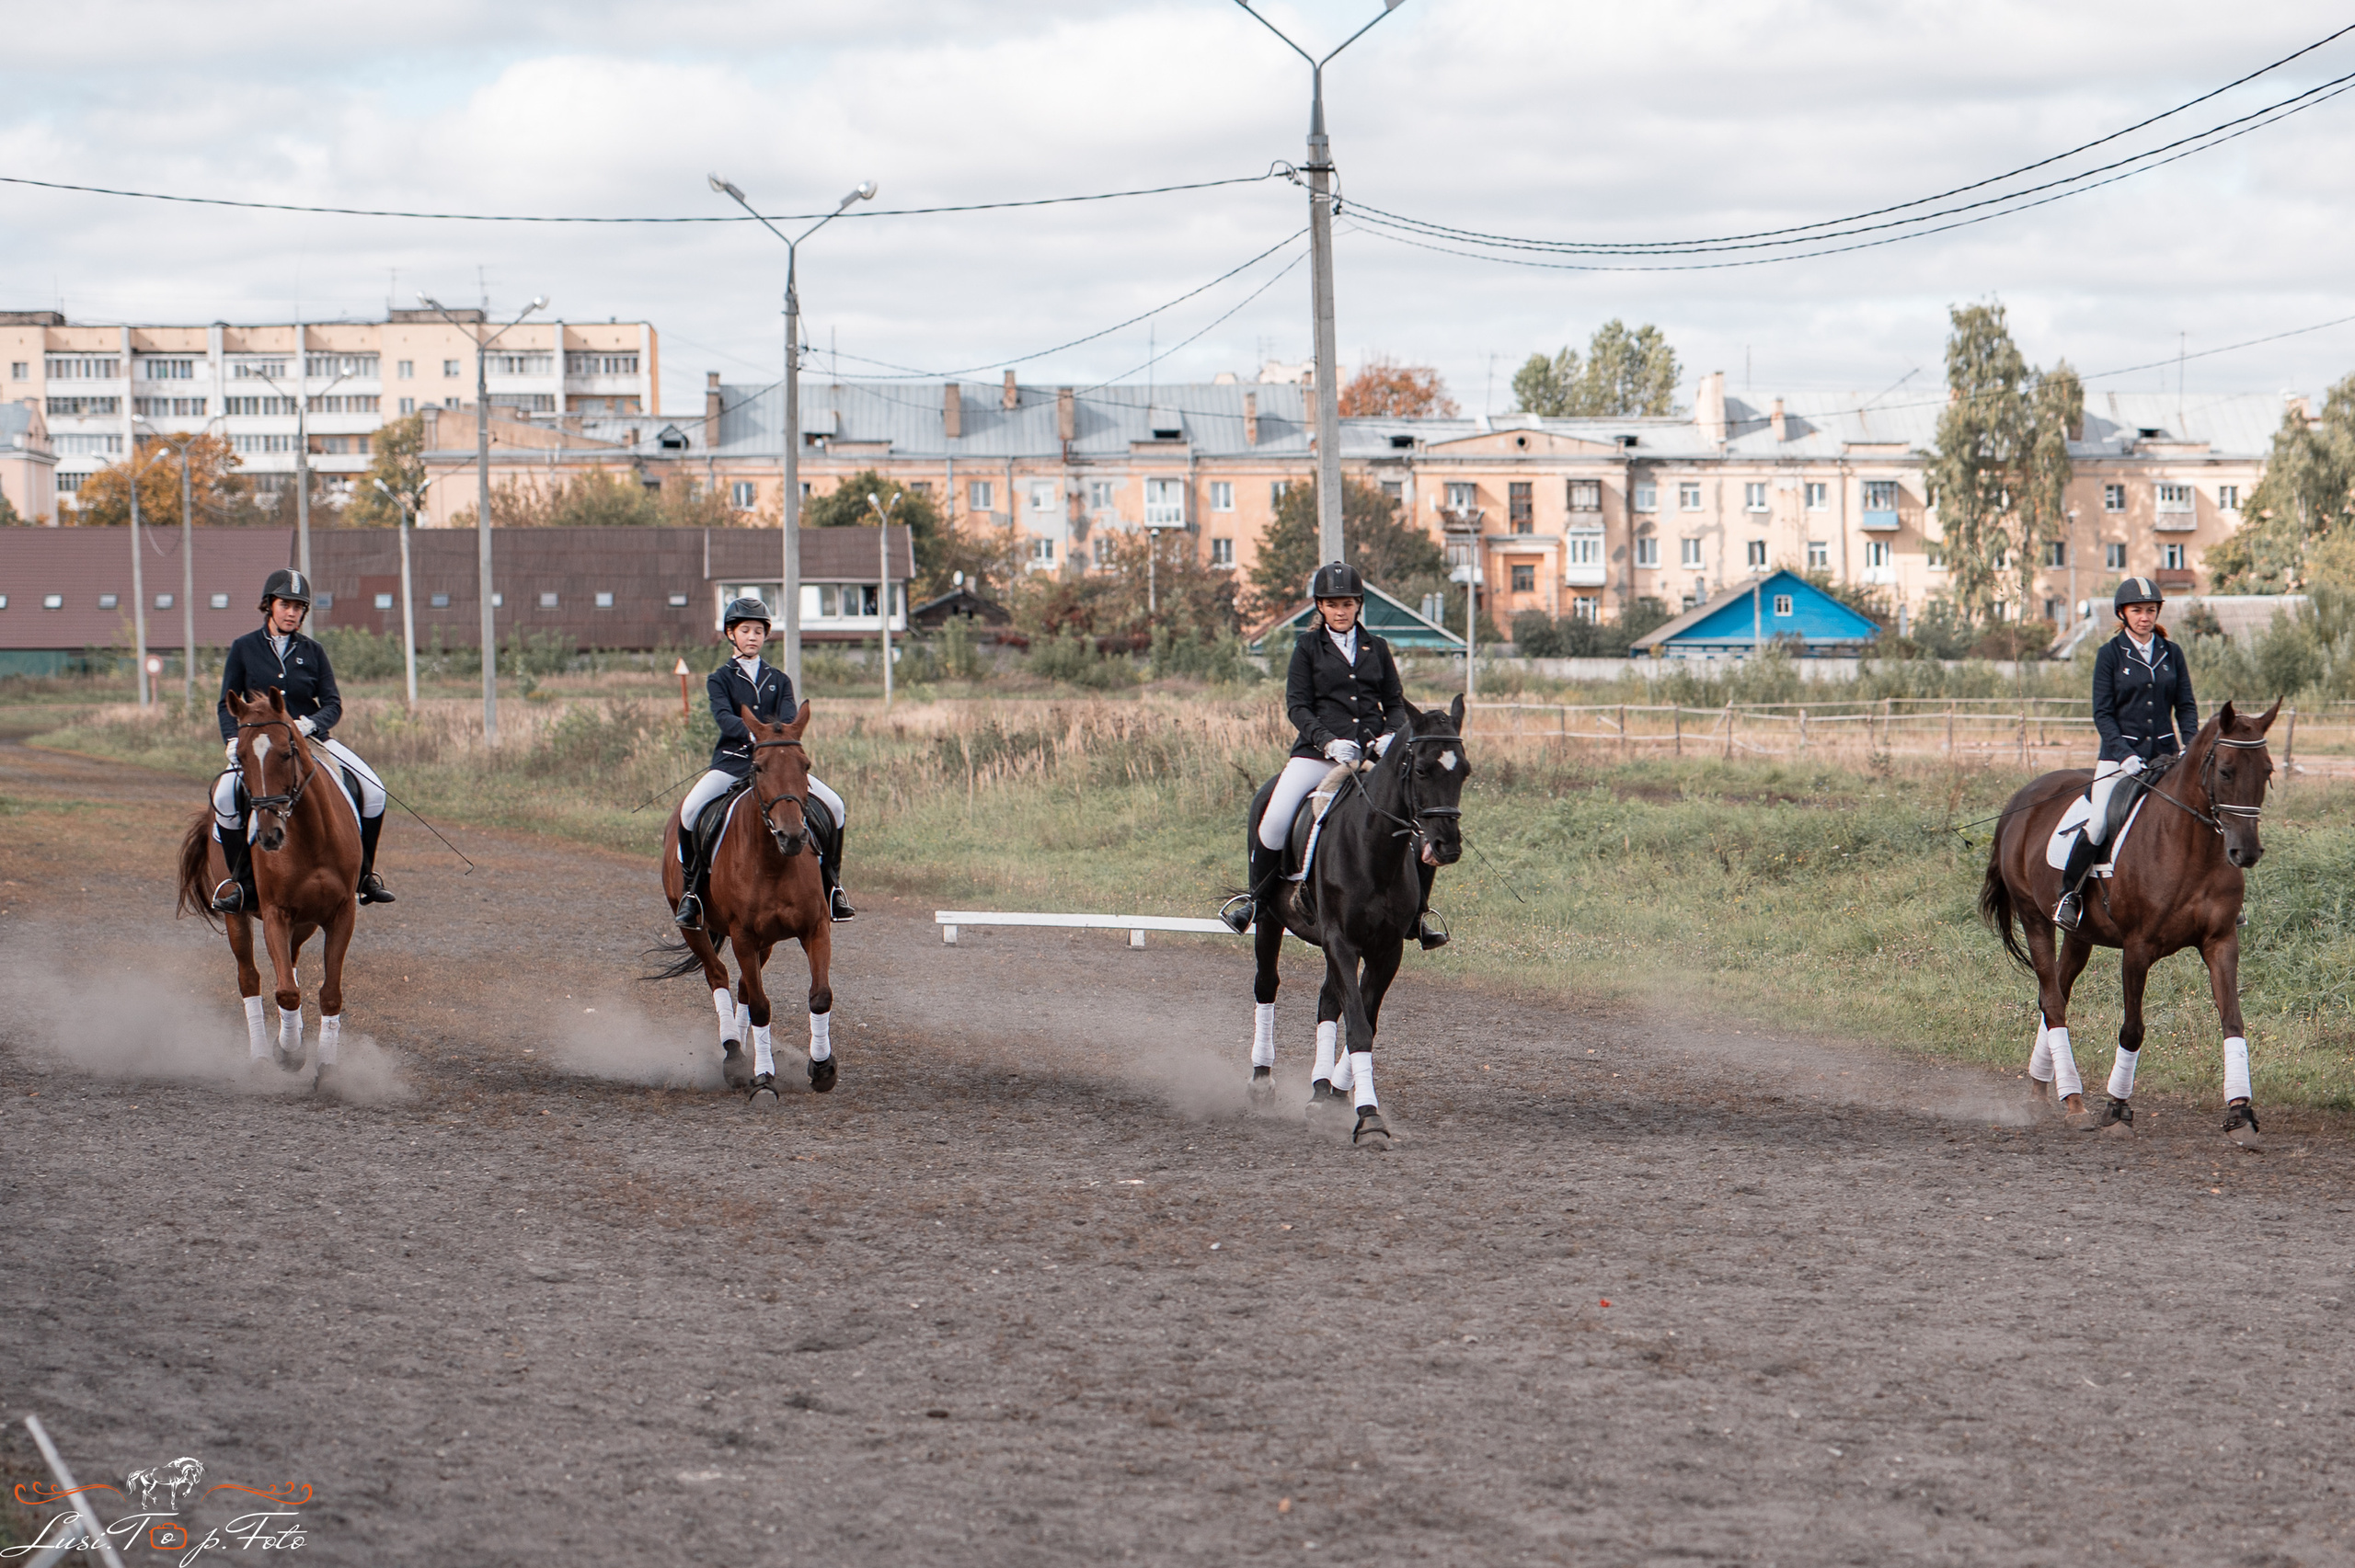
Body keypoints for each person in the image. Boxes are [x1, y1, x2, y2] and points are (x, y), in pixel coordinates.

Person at [1221, 561, 1445, 948]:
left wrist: (1389, 736)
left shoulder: (1378, 648)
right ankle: (1255, 902)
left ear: (1358, 605)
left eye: (1347, 604)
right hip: (1317, 755)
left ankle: (1418, 914)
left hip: (1371, 757)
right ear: (1320, 607)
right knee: (1274, 820)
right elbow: (1297, 706)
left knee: (1417, 821)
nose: (1341, 611)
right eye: (1332, 604)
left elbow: (1394, 702)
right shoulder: (1307, 648)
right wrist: (1327, 741)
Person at [210, 567, 395, 910]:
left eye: (298, 607)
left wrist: (310, 723)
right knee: (224, 796)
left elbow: (333, 704)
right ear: (269, 605)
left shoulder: (313, 651)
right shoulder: (244, 648)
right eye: (285, 605)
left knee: (375, 790)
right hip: (261, 747)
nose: (292, 612)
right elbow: (226, 703)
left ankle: (364, 875)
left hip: (311, 742)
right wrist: (232, 740)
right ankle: (241, 883)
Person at [672, 597, 855, 929]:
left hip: (778, 767)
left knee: (836, 806)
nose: (752, 636)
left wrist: (773, 740)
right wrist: (754, 734)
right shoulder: (719, 679)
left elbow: (788, 716)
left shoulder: (779, 679)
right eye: (745, 630)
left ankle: (833, 887)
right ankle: (692, 892)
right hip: (732, 763)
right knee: (689, 811)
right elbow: (724, 717)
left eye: (758, 631)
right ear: (731, 634)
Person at [2055, 575, 2201, 930]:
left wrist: (2191, 747)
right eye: (2137, 610)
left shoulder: (2172, 653)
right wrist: (2124, 754)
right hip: (2119, 758)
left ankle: (2215, 895)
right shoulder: (2109, 654)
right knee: (2099, 822)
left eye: (2150, 610)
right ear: (2123, 613)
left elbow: (2185, 706)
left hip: (2166, 757)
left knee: (2200, 814)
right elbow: (2102, 714)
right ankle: (2070, 895)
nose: (2144, 617)